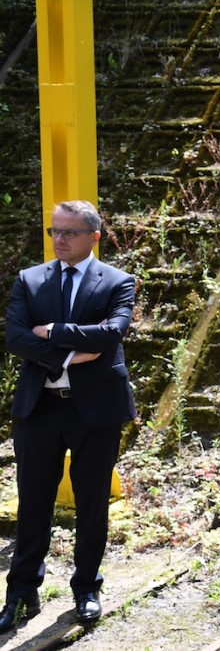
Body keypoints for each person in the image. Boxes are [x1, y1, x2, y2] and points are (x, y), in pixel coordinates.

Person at [2, 200, 136, 632]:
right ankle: (21, 594)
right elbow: (16, 337)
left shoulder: (117, 281)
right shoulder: (31, 279)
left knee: (92, 503)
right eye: (54, 231)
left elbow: (111, 334)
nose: (59, 239)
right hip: (39, 407)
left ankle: (86, 589)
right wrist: (69, 355)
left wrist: (54, 332)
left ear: (94, 236)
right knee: (33, 502)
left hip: (95, 410)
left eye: (69, 232)